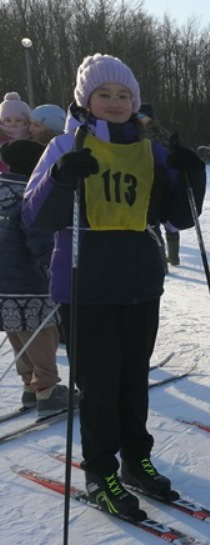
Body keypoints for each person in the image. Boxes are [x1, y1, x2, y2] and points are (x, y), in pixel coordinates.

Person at [23, 53, 206, 518]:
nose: (115, 101)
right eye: (104, 94)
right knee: (99, 385)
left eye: (123, 94)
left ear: (135, 101)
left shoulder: (150, 149)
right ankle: (99, 471)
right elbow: (34, 216)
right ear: (86, 100)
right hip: (86, 281)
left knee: (133, 381)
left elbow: (181, 217)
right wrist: (62, 180)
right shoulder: (66, 145)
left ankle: (135, 460)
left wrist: (192, 175)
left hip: (140, 280)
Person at [0, 139, 74, 418]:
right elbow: (40, 237)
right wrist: (57, 267)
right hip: (28, 279)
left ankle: (30, 385)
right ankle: (47, 390)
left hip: (3, 281)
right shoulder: (30, 195)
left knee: (16, 330)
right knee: (41, 331)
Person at [138, 102, 180, 267]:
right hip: (166, 179)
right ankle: (172, 256)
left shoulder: (145, 133)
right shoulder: (163, 131)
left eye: (142, 115)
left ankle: (163, 262)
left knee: (154, 221)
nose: (139, 118)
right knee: (168, 221)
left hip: (155, 179)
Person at [0, 92, 33, 172]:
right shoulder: (1, 138)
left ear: (26, 121)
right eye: (8, 120)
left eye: (18, 120)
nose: (13, 123)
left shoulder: (31, 136)